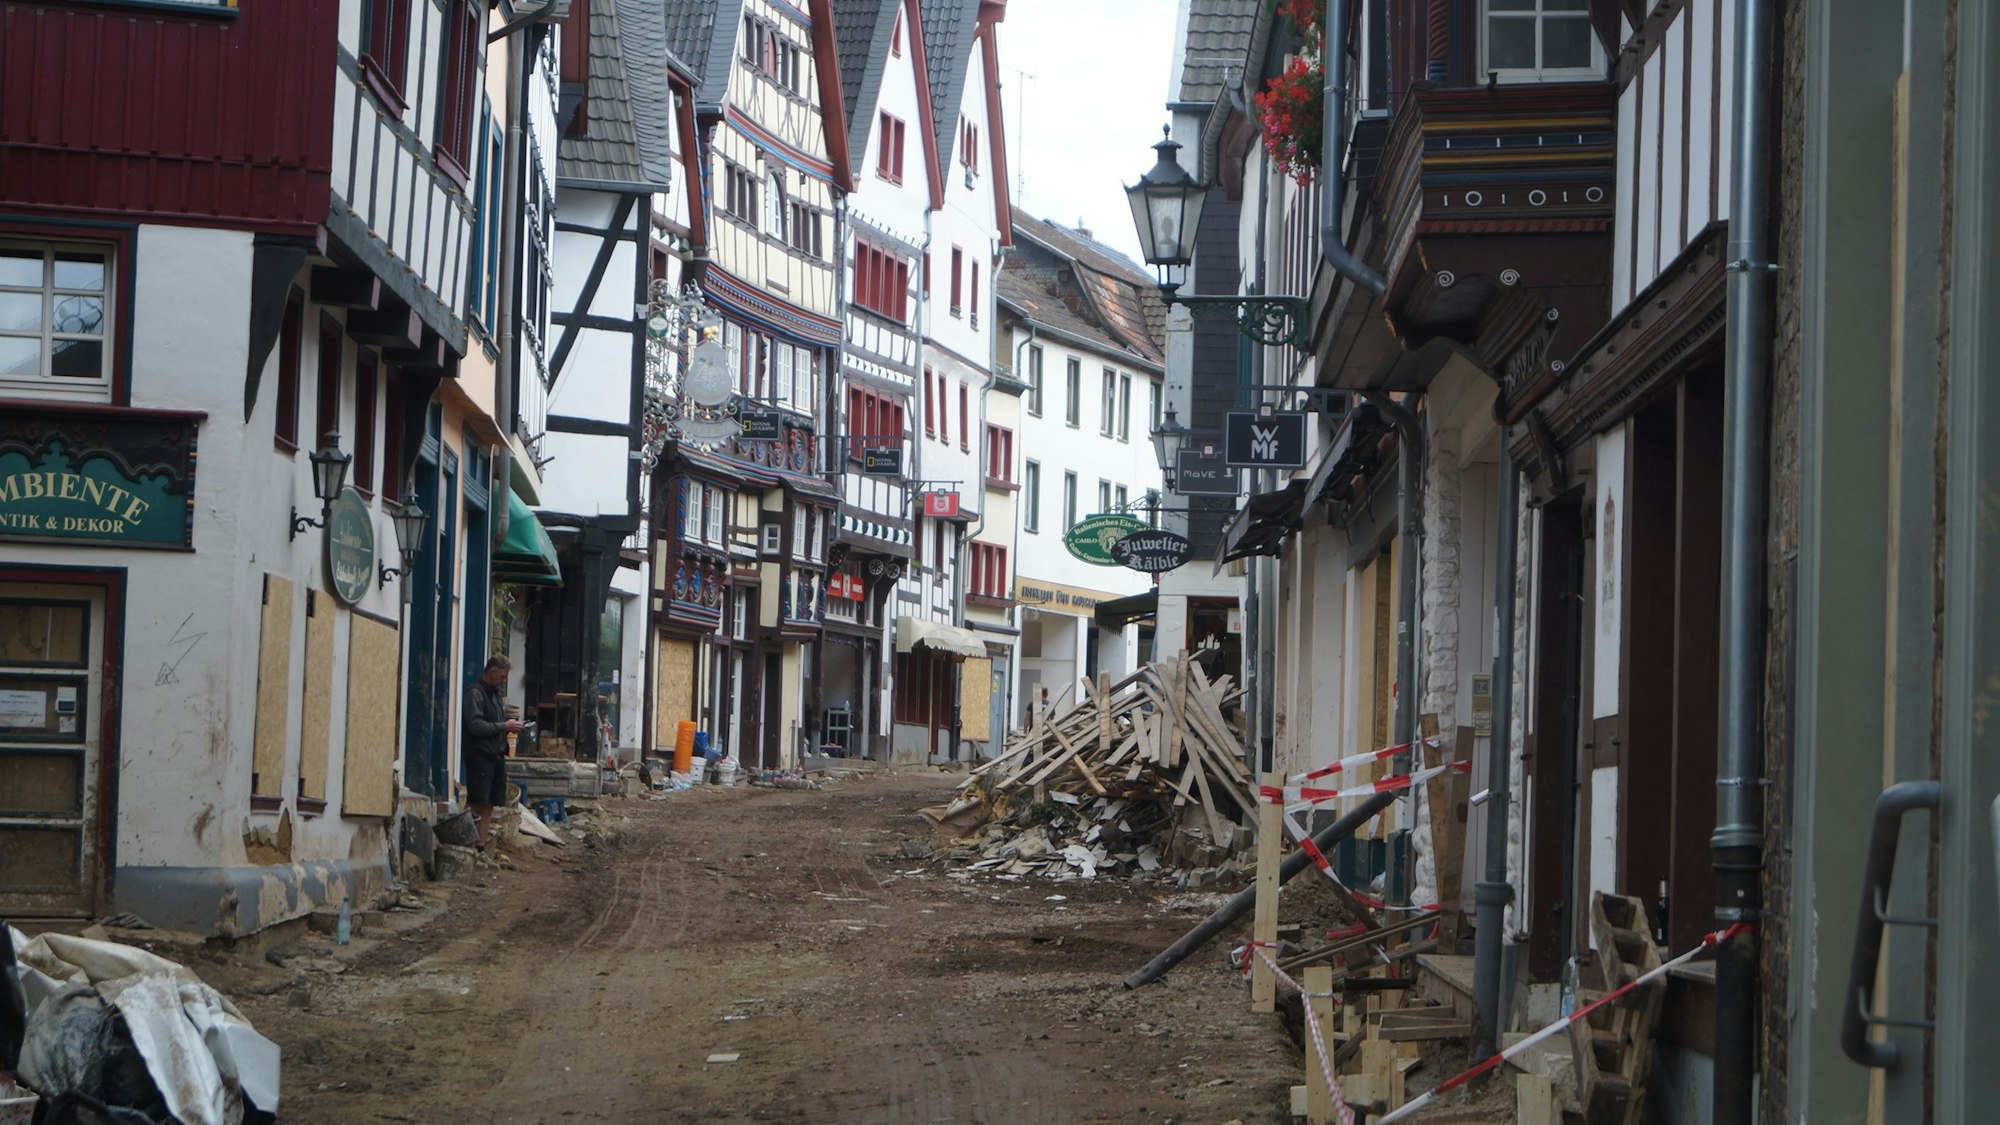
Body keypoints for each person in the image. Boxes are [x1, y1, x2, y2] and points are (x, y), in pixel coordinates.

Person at [464, 656, 524, 849]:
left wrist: (507, 728)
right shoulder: (475, 694)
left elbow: (493, 724)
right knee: (477, 801)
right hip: (480, 754)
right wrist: (502, 726)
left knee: (489, 802)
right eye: (503, 676)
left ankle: (480, 845)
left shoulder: (494, 694)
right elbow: (475, 726)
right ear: (492, 672)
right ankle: (464, 840)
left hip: (495, 755)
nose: (504, 681)